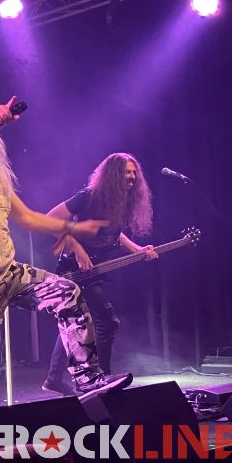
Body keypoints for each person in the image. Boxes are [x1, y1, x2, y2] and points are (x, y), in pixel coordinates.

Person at [0, 98, 132, 424]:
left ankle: (87, 378)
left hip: (8, 273)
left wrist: (72, 228)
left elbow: (28, 218)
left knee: (66, 292)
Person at [42, 153, 157, 396]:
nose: (132, 177)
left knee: (73, 323)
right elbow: (51, 220)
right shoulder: (88, 197)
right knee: (107, 322)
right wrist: (77, 249)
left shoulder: (119, 202)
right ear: (113, 175)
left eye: (134, 172)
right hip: (74, 270)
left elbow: (114, 234)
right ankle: (100, 377)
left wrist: (137, 250)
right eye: (127, 172)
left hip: (94, 270)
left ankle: (54, 378)